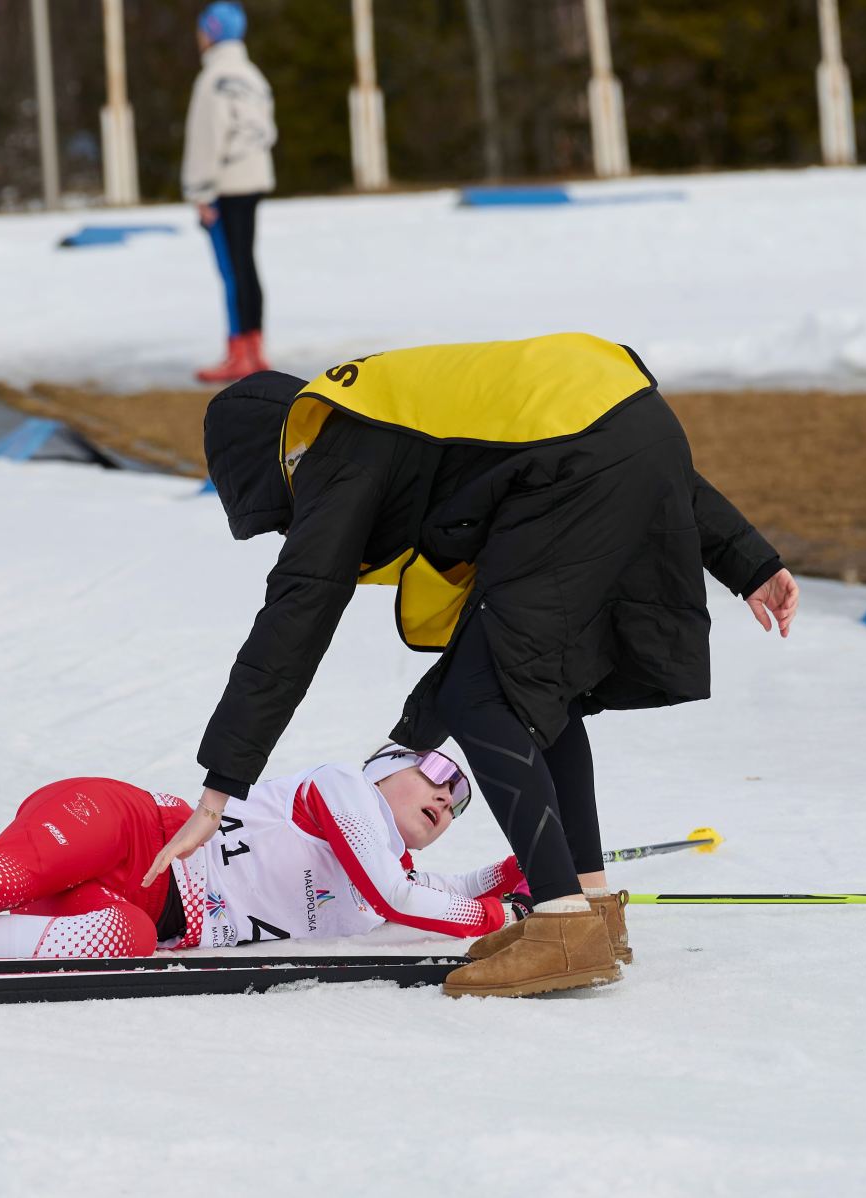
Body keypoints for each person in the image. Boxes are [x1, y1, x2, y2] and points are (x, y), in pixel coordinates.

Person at [142, 333, 799, 999]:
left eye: (284, 518)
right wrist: (749, 561)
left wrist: (221, 788)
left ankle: (563, 923)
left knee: (483, 695)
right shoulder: (382, 419)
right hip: (618, 419)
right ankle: (592, 909)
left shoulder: (337, 452)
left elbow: (294, 618)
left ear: (276, 464)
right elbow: (629, 441)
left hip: (575, 466)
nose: (294, 527)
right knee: (542, 691)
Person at [0, 745, 537, 980]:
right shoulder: (342, 789)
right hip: (133, 830)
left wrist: (531, 877)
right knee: (19, 871)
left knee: (123, 939)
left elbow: (449, 891)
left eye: (459, 802)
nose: (446, 796)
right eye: (438, 772)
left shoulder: (390, 872)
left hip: (152, 914)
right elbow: (404, 901)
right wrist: (496, 914)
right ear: (385, 766)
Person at [182, 2, 277, 384]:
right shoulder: (253, 76)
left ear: (211, 33)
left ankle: (238, 352)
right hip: (253, 180)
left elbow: (206, 139)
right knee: (247, 265)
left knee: (232, 270)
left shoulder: (213, 80)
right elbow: (267, 130)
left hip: (224, 186)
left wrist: (200, 190)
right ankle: (255, 349)